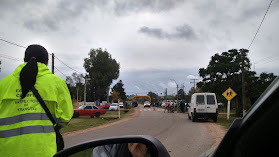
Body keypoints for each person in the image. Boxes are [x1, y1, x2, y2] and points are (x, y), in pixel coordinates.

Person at [0, 45, 73, 157]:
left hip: (6, 151)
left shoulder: (3, 84)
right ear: (47, 61)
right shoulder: (57, 83)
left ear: (24, 60)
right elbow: (65, 117)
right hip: (44, 151)